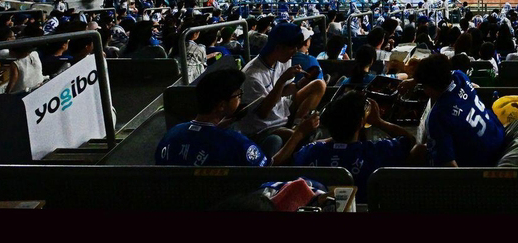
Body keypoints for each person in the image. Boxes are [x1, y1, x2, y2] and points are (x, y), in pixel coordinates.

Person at [157, 68, 317, 166]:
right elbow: (270, 166)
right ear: (221, 105)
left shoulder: (171, 134)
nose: (240, 98)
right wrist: (299, 134)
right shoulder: (234, 142)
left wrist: (227, 121)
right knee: (275, 141)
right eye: (238, 95)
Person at [293, 93, 416, 202]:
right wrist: (378, 121)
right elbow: (409, 140)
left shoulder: (311, 150)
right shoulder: (373, 151)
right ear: (361, 122)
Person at [238, 23, 328, 156]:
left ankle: (296, 125)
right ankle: (298, 134)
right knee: (299, 137)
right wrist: (281, 80)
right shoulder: (252, 76)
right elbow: (263, 113)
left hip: (282, 110)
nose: (295, 52)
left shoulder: (284, 59)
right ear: (278, 47)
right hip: (264, 127)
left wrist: (301, 83)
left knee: (319, 85)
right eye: (292, 48)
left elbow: (285, 91)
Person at [411, 53, 507, 167]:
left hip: (484, 163)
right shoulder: (459, 76)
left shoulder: (437, 117)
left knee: (418, 152)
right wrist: (414, 81)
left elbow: (449, 166)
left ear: (429, 87)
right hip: (497, 137)